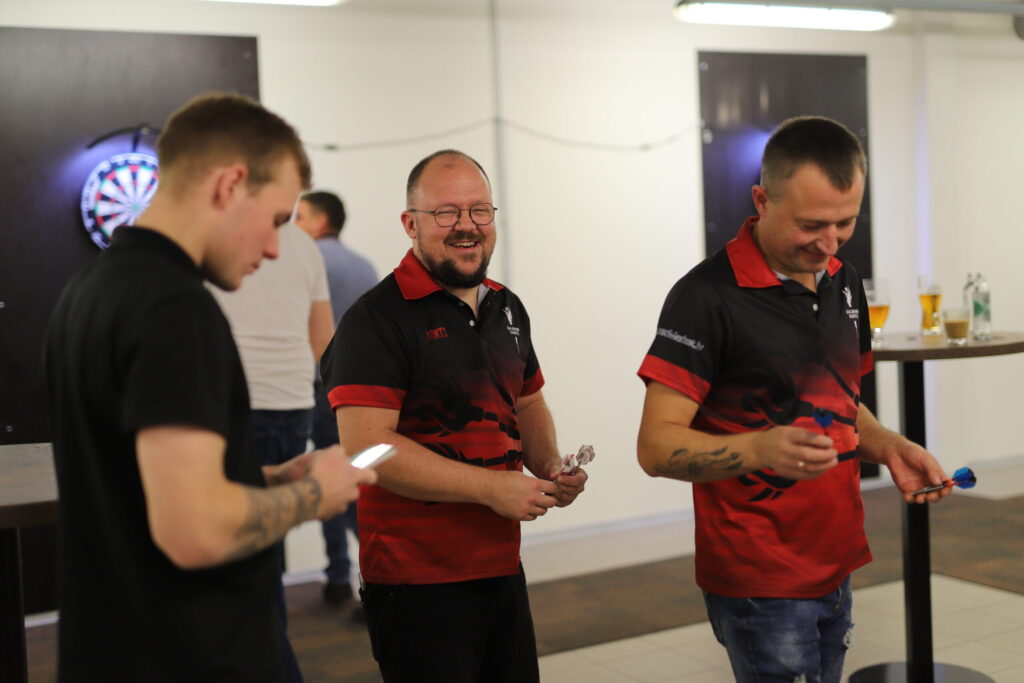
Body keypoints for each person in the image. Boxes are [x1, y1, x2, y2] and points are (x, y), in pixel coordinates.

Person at [44, 92, 375, 683]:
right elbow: (193, 531)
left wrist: (269, 478)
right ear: (229, 184)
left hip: (115, 647)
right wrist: (316, 494)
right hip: (191, 654)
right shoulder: (175, 306)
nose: (274, 248)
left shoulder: (90, 290)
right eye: (276, 219)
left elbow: (141, 488)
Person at [635, 115, 950, 683]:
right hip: (759, 579)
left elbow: (840, 401)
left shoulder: (843, 281)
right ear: (762, 200)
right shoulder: (704, 298)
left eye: (845, 222)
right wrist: (760, 449)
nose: (829, 243)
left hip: (836, 561)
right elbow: (655, 448)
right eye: (811, 225)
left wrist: (889, 445)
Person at [320, 149, 588, 683]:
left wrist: (549, 466)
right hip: (415, 581)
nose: (467, 225)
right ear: (411, 224)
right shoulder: (375, 319)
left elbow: (527, 401)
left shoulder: (507, 307)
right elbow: (367, 447)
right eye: (446, 212)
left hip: (501, 566)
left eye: (479, 210)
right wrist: (492, 488)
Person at [210, 219, 333, 682]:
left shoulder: (221, 235)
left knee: (242, 556)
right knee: (265, 547)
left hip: (242, 403)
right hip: (295, 403)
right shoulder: (304, 246)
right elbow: (325, 341)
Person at [293, 190, 379, 609]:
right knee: (357, 478)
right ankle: (365, 573)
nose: (294, 225)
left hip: (322, 390)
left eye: (301, 216)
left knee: (330, 478)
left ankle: (340, 578)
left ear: (321, 221)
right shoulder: (365, 267)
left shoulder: (308, 262)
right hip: (364, 391)